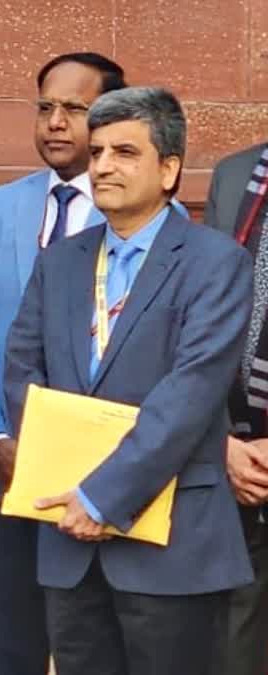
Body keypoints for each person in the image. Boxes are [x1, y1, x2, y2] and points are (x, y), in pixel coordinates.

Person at [4, 86, 254, 675]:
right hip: (66, 535)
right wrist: (69, 484)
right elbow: (21, 367)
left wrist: (103, 496)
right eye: (96, 153)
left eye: (124, 152)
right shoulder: (61, 260)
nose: (103, 167)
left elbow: (190, 393)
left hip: (171, 545)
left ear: (168, 169)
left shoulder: (214, 262)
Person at [0, 51, 126, 675]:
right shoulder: (3, 208)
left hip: (108, 479)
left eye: (75, 110)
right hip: (4, 471)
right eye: (45, 108)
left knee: (96, 646)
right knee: (16, 648)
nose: (56, 122)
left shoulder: (129, 210)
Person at [206, 138, 268, 675]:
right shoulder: (237, 174)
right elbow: (201, 315)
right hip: (238, 454)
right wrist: (220, 440)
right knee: (232, 647)